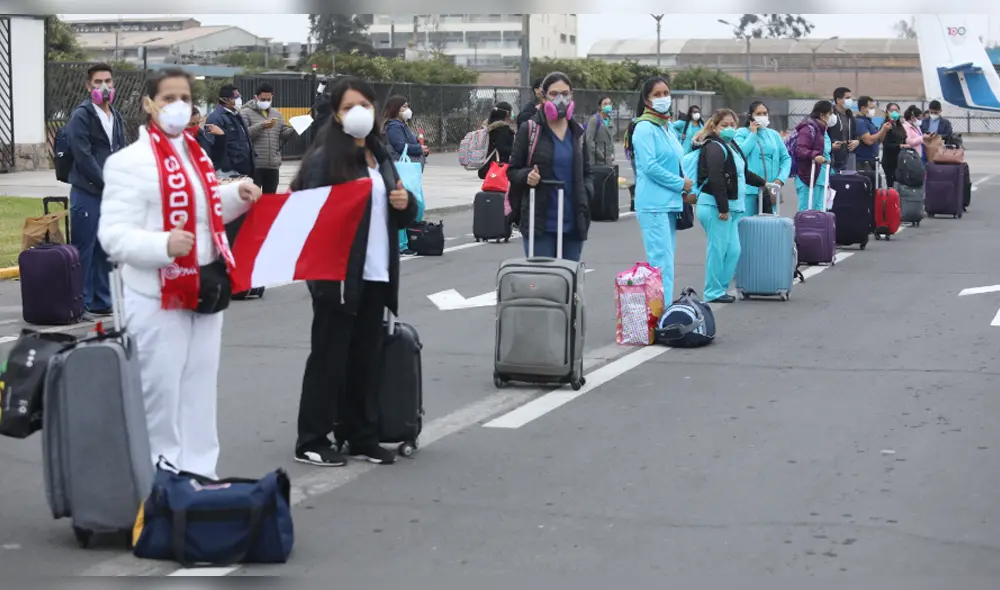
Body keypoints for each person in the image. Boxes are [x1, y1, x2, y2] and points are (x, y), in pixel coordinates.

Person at [98, 68, 262, 478]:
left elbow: (205, 214)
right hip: (157, 296)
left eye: (184, 98)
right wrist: (161, 246)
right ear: (148, 104)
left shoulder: (196, 152)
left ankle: (200, 479)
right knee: (160, 396)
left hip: (205, 289)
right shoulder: (128, 163)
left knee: (199, 394)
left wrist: (235, 196)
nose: (178, 106)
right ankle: (161, 486)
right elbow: (112, 236)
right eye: (168, 98)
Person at [291, 76, 419, 467]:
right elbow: (306, 217)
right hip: (338, 277)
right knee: (329, 359)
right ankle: (312, 438)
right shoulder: (324, 160)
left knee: (366, 358)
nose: (358, 113)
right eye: (349, 107)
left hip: (376, 272)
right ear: (336, 114)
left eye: (365, 104)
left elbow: (400, 214)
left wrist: (405, 203)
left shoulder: (380, 154)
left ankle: (360, 435)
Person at [506, 72, 592, 261]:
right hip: (540, 223)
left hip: (573, 223)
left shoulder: (577, 133)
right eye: (554, 94)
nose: (560, 99)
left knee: (569, 282)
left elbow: (587, 172)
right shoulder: (530, 129)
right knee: (543, 284)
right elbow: (512, 171)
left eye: (565, 93)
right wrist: (527, 176)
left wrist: (586, 195)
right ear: (543, 97)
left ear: (572, 95)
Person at [65, 63, 126, 320]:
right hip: (87, 191)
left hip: (109, 194)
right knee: (85, 249)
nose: (104, 86)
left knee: (104, 248)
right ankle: (82, 302)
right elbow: (83, 155)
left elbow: (120, 150)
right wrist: (105, 181)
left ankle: (102, 300)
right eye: (98, 82)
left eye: (108, 81)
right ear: (88, 86)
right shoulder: (82, 115)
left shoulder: (116, 115)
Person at [624, 76, 694, 303]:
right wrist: (679, 183)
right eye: (657, 94)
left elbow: (678, 160)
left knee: (666, 261)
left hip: (670, 202)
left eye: (666, 93)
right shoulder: (644, 127)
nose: (664, 98)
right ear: (646, 99)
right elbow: (649, 167)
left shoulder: (666, 128)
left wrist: (685, 186)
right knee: (660, 262)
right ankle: (661, 313)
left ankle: (663, 310)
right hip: (654, 203)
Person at [691, 109, 767, 304]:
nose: (729, 129)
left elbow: (742, 172)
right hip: (716, 207)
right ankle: (712, 291)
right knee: (718, 250)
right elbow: (716, 177)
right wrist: (722, 207)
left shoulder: (731, 145)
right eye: (724, 125)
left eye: (732, 125)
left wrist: (763, 182)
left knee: (733, 250)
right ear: (714, 127)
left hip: (732, 207)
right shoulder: (714, 147)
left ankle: (720, 289)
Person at [734, 100, 791, 216]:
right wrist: (753, 134)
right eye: (758, 114)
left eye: (765, 113)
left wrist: (781, 179)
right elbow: (740, 154)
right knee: (747, 225)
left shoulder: (774, 135)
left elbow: (786, 158)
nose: (762, 116)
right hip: (749, 190)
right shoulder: (741, 133)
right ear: (750, 116)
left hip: (771, 189)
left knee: (768, 226)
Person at [241, 82, 297, 194]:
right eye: (263, 99)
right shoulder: (245, 113)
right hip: (255, 164)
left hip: (272, 164)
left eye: (268, 99)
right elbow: (244, 135)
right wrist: (261, 126)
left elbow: (282, 133)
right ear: (255, 97)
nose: (266, 102)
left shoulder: (276, 113)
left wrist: (296, 129)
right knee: (252, 198)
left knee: (271, 198)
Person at [793, 101, 835, 211]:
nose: (832, 117)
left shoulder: (822, 130)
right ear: (822, 114)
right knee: (806, 209)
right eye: (830, 113)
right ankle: (802, 229)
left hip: (821, 177)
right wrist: (815, 156)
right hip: (809, 176)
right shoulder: (808, 128)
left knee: (819, 210)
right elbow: (800, 149)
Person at [206, 84, 255, 178]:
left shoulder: (236, 115)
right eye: (236, 97)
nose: (239, 99)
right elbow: (212, 145)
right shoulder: (216, 118)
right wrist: (227, 165)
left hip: (242, 169)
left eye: (239, 96)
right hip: (228, 171)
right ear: (225, 100)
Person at [382, 96, 428, 162]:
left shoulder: (401, 124)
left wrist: (422, 150)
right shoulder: (394, 126)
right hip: (403, 165)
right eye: (404, 106)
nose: (408, 109)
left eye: (407, 106)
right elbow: (400, 147)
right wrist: (419, 149)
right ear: (395, 108)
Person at [477, 102, 516, 180]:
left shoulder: (486, 128)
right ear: (507, 113)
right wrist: (516, 150)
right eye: (511, 113)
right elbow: (502, 148)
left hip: (487, 165)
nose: (512, 116)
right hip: (500, 167)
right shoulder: (504, 129)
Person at [854, 96, 893, 173]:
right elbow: (868, 140)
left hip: (872, 161)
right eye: (871, 108)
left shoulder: (869, 122)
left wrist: (884, 130)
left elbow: (879, 139)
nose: (873, 110)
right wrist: (882, 130)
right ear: (862, 108)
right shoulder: (860, 122)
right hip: (863, 162)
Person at [827, 87, 859, 173]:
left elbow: (855, 133)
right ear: (838, 100)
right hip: (832, 156)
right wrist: (830, 145)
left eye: (850, 97)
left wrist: (857, 141)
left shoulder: (850, 115)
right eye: (847, 98)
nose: (850, 100)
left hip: (847, 156)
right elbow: (823, 134)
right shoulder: (830, 115)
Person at [880, 102, 906, 187]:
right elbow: (886, 144)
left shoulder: (899, 125)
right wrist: (899, 146)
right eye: (892, 110)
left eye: (896, 110)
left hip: (900, 159)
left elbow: (904, 138)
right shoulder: (886, 125)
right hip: (889, 160)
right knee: (891, 185)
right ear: (887, 112)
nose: (894, 113)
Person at [585, 96, 616, 165]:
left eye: (609, 103)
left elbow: (611, 140)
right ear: (600, 107)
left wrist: (612, 153)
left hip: (608, 160)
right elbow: (589, 140)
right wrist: (600, 155)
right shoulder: (594, 119)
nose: (608, 106)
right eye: (605, 104)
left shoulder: (610, 120)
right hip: (597, 161)